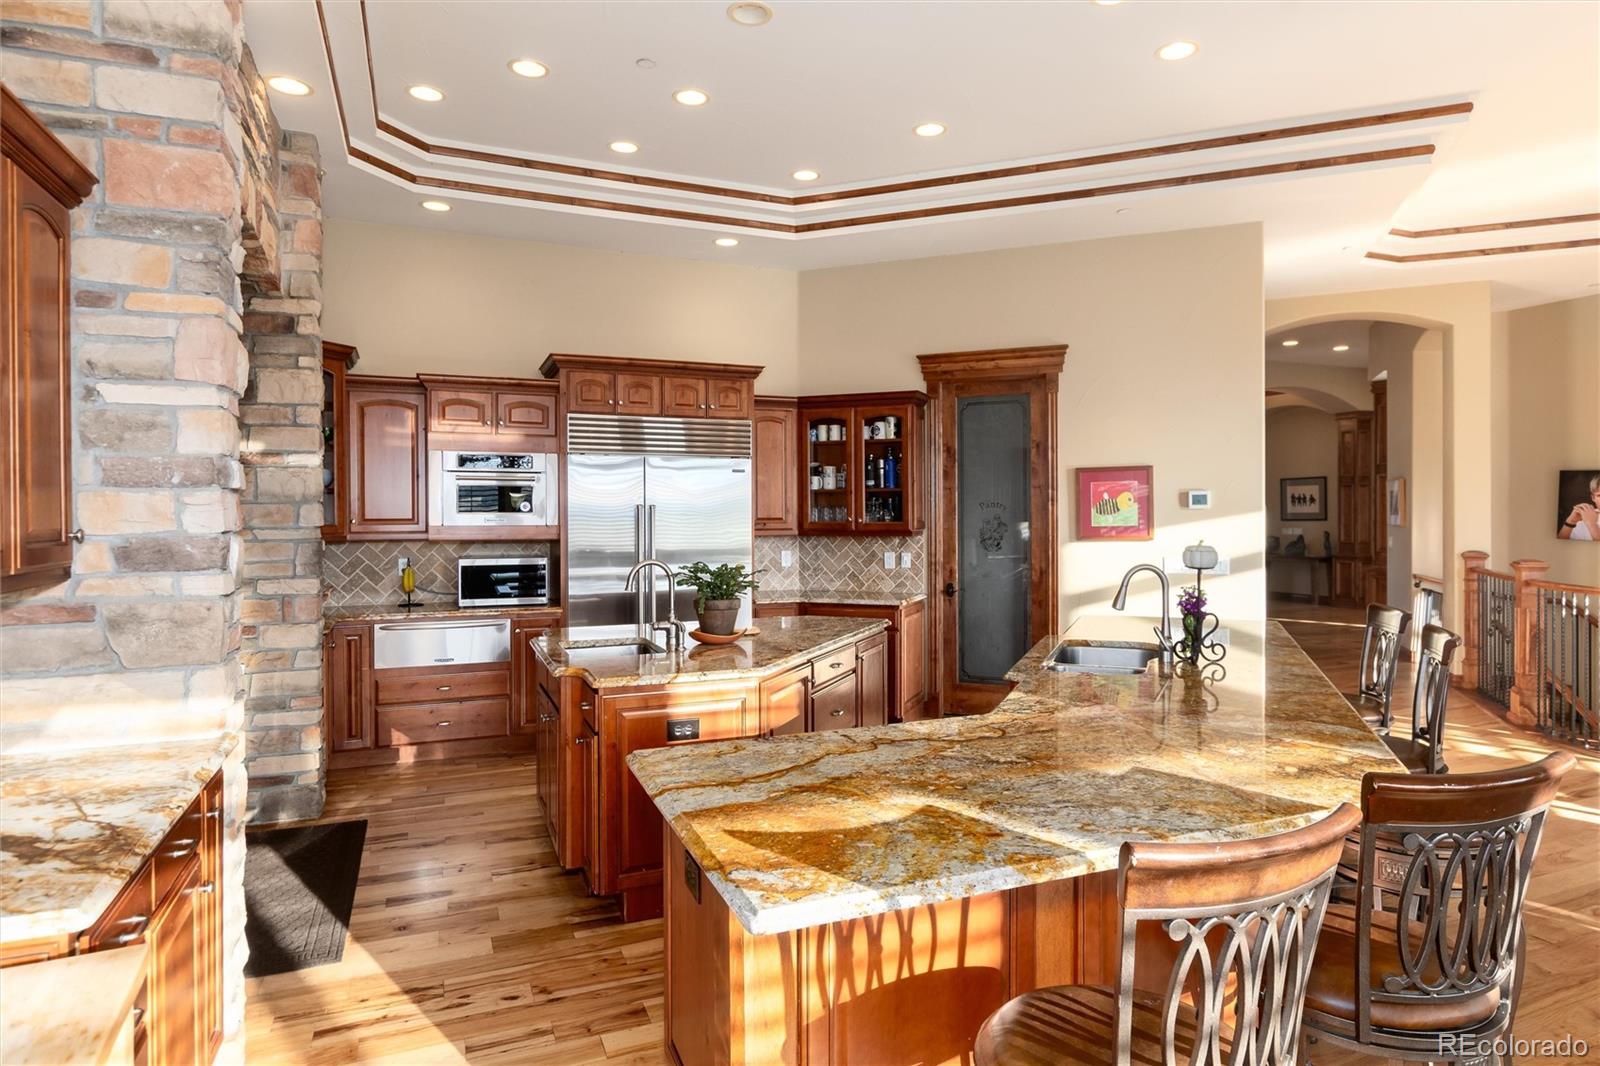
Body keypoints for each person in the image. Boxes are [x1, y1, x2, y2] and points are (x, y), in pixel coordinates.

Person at [1558, 473, 1600, 541]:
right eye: (1599, 495)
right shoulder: (1583, 518)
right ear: (1593, 497)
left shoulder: (1588, 520)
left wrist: (1592, 524)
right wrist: (1570, 522)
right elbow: (1558, 546)